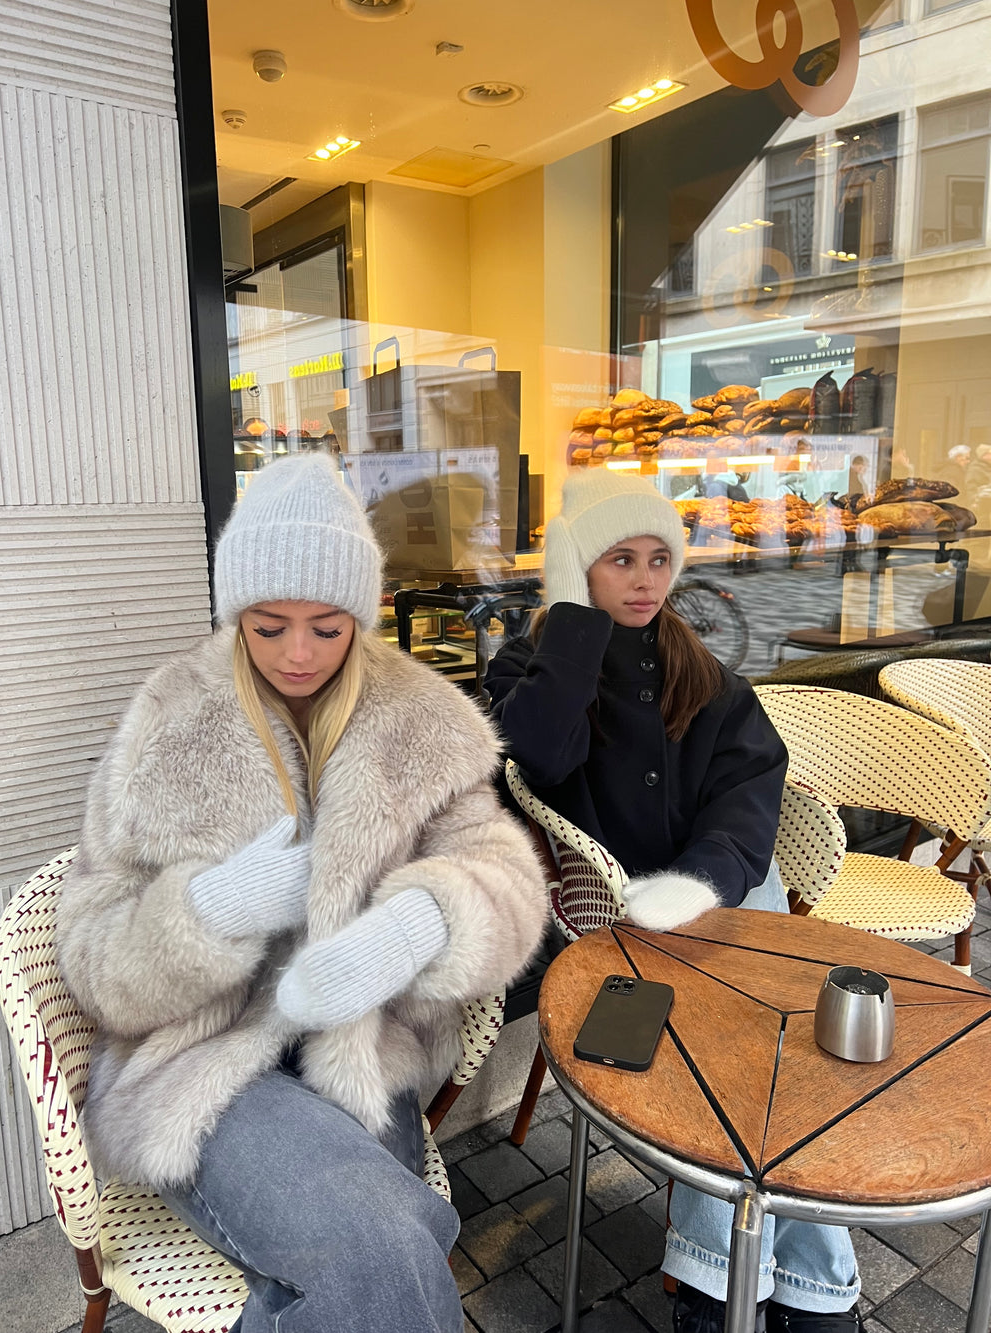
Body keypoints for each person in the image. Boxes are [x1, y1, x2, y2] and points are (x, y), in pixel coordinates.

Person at [56, 453, 549, 1333]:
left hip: (360, 1059)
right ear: (236, 612)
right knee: (388, 1249)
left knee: (372, 1263)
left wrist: (420, 923)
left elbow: (506, 875)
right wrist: (210, 912)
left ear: (361, 613)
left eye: (326, 627)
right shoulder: (168, 722)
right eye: (269, 624)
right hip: (205, 1072)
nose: (297, 653)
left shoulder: (419, 721)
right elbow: (90, 948)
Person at [484, 469, 862, 1333]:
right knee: (751, 1052)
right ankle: (761, 1290)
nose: (646, 579)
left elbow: (749, 793)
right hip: (611, 917)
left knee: (770, 1052)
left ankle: (779, 1288)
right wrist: (571, 619)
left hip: (721, 898)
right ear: (578, 566)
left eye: (659, 559)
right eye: (619, 559)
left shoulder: (703, 670)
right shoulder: (530, 666)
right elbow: (538, 753)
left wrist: (700, 881)